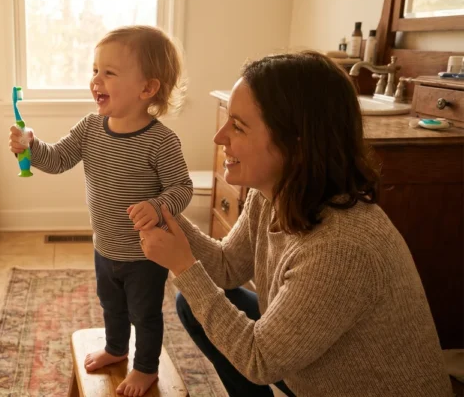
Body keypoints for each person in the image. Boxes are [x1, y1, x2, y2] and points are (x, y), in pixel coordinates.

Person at [138, 51, 453, 396]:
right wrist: (164, 211)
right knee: (193, 302)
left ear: (296, 145)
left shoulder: (343, 247)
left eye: (238, 126)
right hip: (316, 377)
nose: (220, 136)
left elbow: (259, 361)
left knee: (207, 303)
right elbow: (228, 268)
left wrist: (183, 265)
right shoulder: (271, 194)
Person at [8, 25, 192, 396]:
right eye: (94, 70)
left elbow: (182, 188)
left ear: (147, 88)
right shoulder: (90, 128)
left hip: (145, 254)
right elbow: (57, 159)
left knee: (145, 313)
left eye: (109, 72)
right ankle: (115, 347)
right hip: (105, 246)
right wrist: (29, 145)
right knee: (111, 304)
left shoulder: (161, 141)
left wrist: (158, 207)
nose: (96, 80)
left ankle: (145, 368)